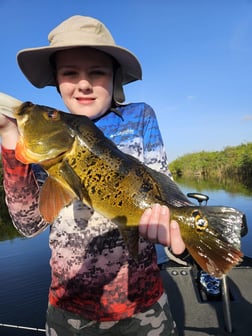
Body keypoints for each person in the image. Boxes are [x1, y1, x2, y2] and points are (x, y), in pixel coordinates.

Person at [0, 15, 186, 336]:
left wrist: (175, 234)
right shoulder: (51, 135)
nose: (83, 83)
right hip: (67, 310)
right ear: (57, 81)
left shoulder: (141, 116)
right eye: (70, 73)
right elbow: (30, 224)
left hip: (143, 307)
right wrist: (8, 138)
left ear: (116, 78)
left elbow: (162, 189)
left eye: (96, 72)